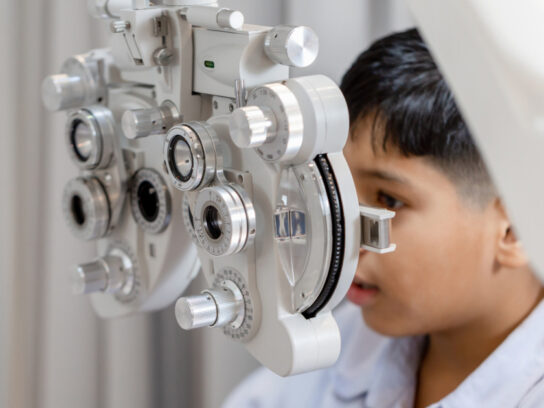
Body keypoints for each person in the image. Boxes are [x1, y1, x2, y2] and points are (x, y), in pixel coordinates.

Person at [222, 28, 544, 408]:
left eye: (388, 198)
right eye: (339, 187)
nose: (340, 234)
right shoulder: (342, 346)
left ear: (515, 229)